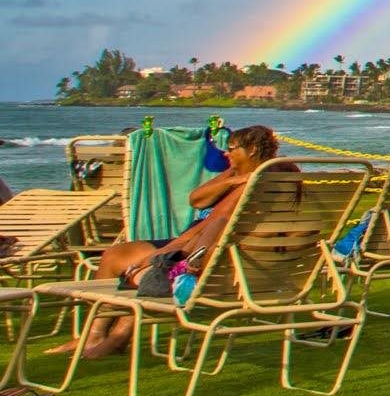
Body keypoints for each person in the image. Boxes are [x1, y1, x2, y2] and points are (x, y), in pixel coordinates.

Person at [51, 125, 290, 361]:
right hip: (211, 244)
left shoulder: (257, 181)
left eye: (231, 149)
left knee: (130, 264)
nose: (225, 153)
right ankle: (98, 335)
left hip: (201, 245)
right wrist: (232, 176)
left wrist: (163, 252)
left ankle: (114, 336)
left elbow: (212, 224)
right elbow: (196, 200)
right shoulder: (254, 175)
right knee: (115, 255)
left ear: (253, 150)